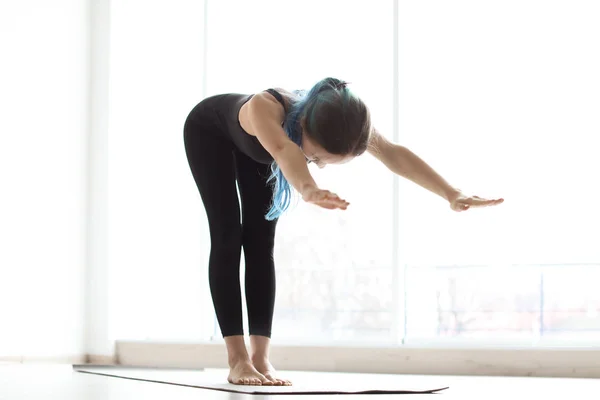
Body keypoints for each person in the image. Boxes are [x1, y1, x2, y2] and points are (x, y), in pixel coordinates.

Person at [183, 77, 503, 386]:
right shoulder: (264, 109)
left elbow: (392, 153)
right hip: (210, 135)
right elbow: (284, 150)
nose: (317, 164)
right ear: (305, 126)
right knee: (227, 237)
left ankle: (260, 357)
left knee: (260, 243)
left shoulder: (345, 122)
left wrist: (452, 193)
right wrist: (308, 188)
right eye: (317, 158)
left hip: (259, 151)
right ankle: (237, 359)